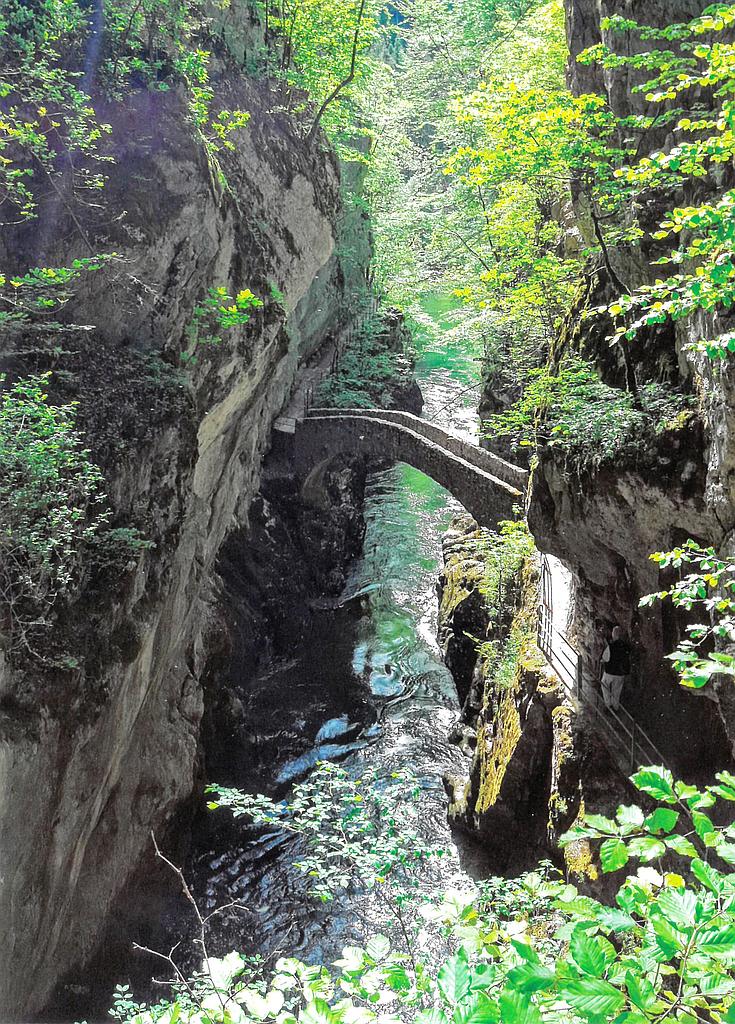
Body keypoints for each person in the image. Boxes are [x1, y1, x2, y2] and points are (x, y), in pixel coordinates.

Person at [600, 625, 631, 712]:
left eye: (613, 633)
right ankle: (615, 707)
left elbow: (605, 658)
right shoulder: (626, 647)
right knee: (616, 691)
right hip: (621, 673)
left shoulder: (611, 646)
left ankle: (608, 705)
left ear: (615, 635)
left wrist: (602, 660)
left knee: (604, 685)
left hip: (610, 672)